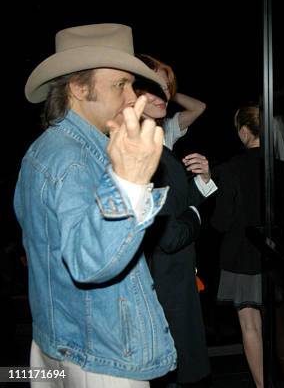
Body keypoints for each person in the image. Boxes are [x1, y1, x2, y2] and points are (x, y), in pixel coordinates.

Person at [14, 23, 174, 387]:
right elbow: (90, 263)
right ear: (78, 87)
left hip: (55, 344)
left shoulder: (44, 151)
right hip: (99, 358)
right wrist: (131, 179)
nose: (134, 98)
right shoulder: (73, 160)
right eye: (121, 84)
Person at [134, 54, 216, 387]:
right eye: (153, 87)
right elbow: (169, 235)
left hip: (171, 282)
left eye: (166, 87)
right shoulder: (144, 151)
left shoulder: (158, 145)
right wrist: (198, 214)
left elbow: (173, 206)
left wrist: (202, 181)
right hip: (164, 289)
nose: (163, 95)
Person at [211, 104, 284, 388]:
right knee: (278, 323)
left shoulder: (232, 168)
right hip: (272, 255)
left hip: (241, 258)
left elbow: (221, 222)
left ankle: (262, 386)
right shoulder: (281, 168)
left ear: (245, 131)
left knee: (250, 325)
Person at [135, 54, 207, 150]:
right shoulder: (121, 140)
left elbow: (199, 107)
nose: (165, 95)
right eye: (154, 87)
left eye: (167, 87)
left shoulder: (165, 130)